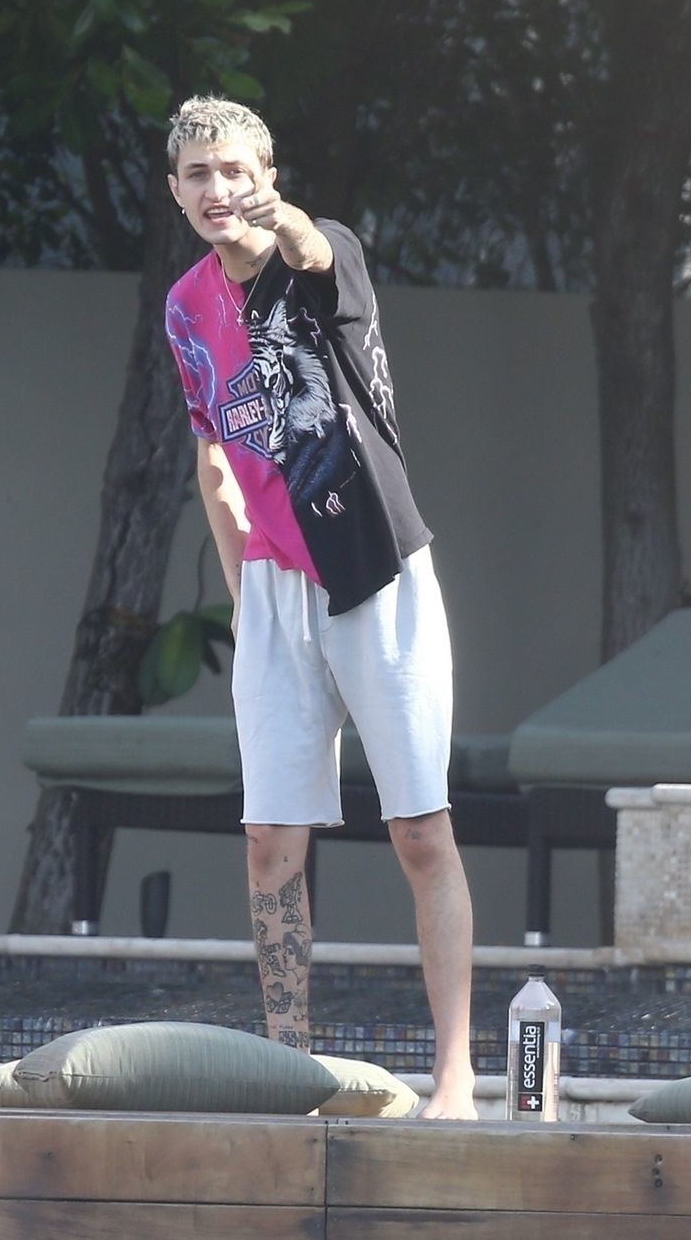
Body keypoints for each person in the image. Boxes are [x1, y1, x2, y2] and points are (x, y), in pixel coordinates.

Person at [162, 96, 479, 1119]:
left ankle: (457, 1075)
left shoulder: (319, 253)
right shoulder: (185, 306)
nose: (219, 189)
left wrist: (282, 216)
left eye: (236, 170)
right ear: (175, 191)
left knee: (419, 829)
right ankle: (287, 1068)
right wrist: (244, 587)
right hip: (272, 586)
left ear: (267, 174)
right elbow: (214, 460)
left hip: (374, 568)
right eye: (199, 174)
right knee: (270, 840)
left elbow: (305, 242)